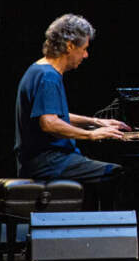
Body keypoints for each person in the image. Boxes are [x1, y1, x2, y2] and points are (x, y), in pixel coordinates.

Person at [15, 14, 129, 205]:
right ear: (69, 46)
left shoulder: (38, 69)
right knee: (121, 174)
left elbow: (54, 114)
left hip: (40, 161)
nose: (86, 55)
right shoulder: (48, 77)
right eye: (84, 49)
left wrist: (96, 122)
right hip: (49, 163)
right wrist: (91, 135)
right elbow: (49, 123)